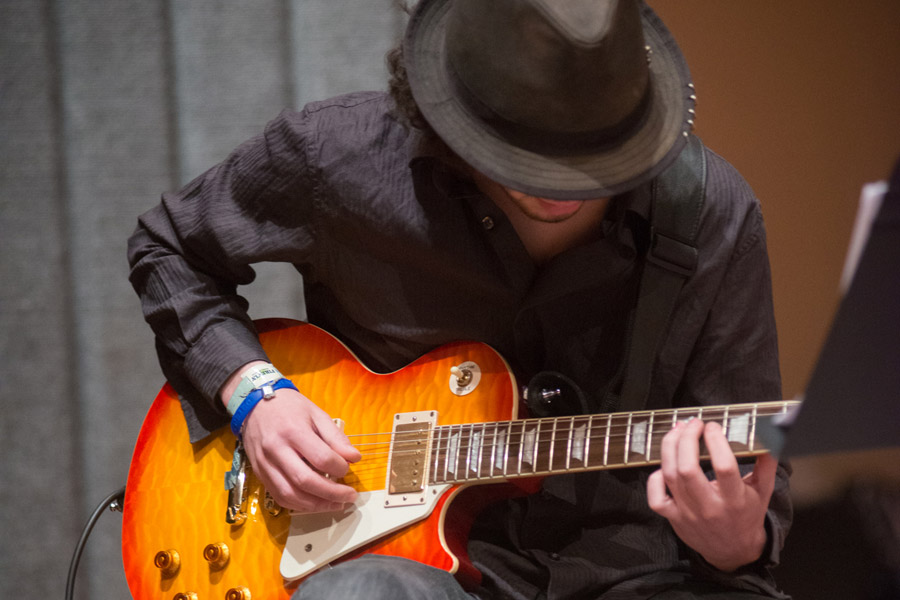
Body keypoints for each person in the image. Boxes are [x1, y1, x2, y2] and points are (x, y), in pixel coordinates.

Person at [127, 0, 792, 598]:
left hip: (636, 574)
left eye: (593, 157)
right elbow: (168, 249)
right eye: (525, 156)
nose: (561, 188)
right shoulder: (340, 159)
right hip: (403, 571)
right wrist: (254, 396)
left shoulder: (711, 218)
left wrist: (736, 542)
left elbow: (750, 509)